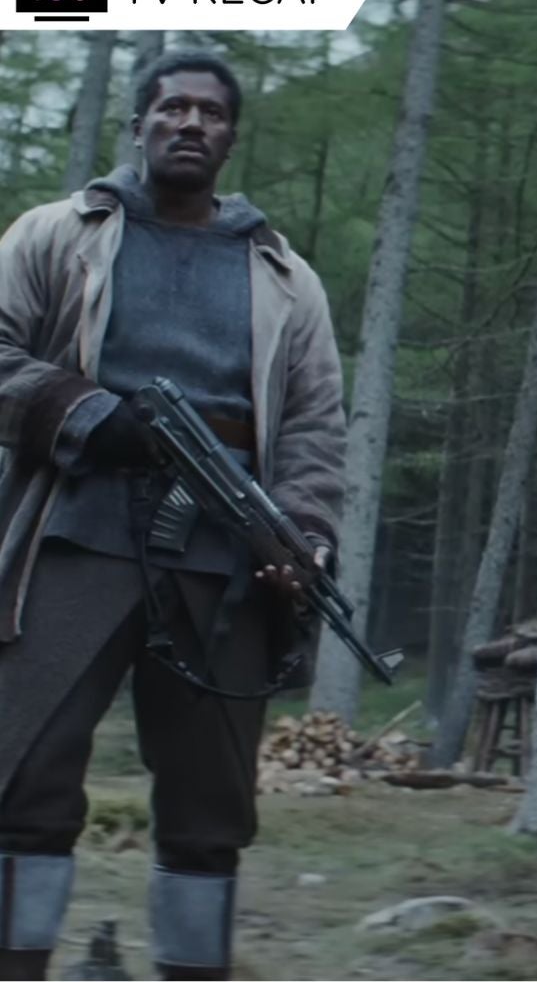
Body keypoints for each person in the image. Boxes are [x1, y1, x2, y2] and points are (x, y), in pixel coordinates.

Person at [0, 49, 346, 981]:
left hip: (225, 558)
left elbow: (315, 426)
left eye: (211, 113)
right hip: (72, 534)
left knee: (209, 811)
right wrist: (82, 412)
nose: (191, 123)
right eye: (173, 107)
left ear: (231, 137)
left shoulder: (285, 278)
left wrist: (305, 535)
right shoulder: (55, 235)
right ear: (140, 124)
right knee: (24, 777)